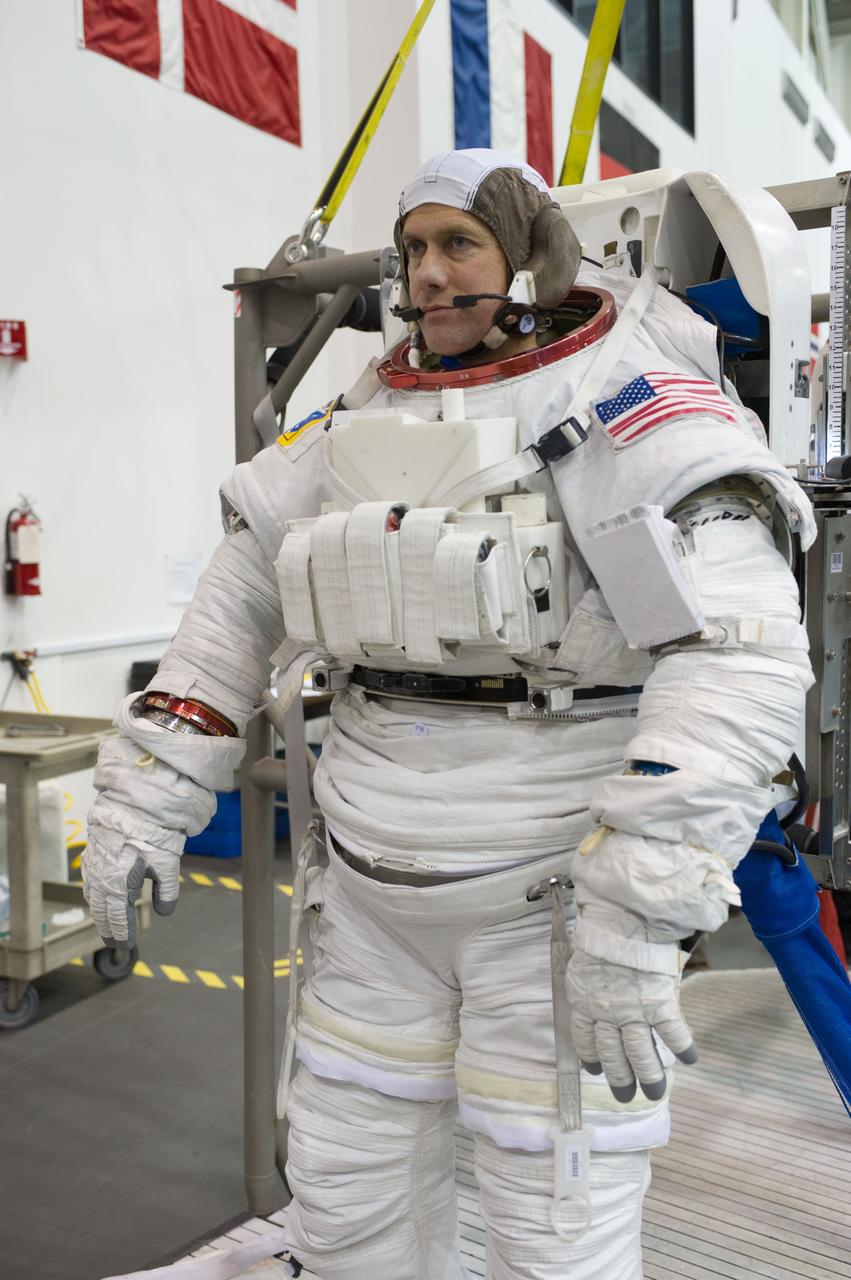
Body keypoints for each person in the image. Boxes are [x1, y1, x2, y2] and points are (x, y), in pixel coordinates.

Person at [82, 149, 815, 1279]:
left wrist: (639, 904)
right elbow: (240, 594)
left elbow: (735, 655)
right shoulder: (366, 408)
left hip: (548, 896)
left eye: (458, 245)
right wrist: (149, 788)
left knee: (548, 1220)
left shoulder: (622, 397)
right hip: (368, 893)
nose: (427, 274)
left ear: (526, 257)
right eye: (413, 249)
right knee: (343, 1187)